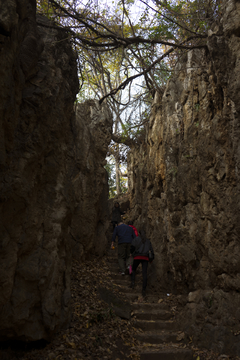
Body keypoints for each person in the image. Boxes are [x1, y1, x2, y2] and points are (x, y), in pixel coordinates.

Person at [130, 229, 154, 298]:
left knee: (134, 269)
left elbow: (132, 247)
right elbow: (151, 250)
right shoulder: (148, 241)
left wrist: (131, 253)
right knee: (144, 273)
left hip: (137, 256)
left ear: (139, 233)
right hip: (145, 258)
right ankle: (143, 290)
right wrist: (151, 259)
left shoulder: (136, 239)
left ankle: (132, 283)